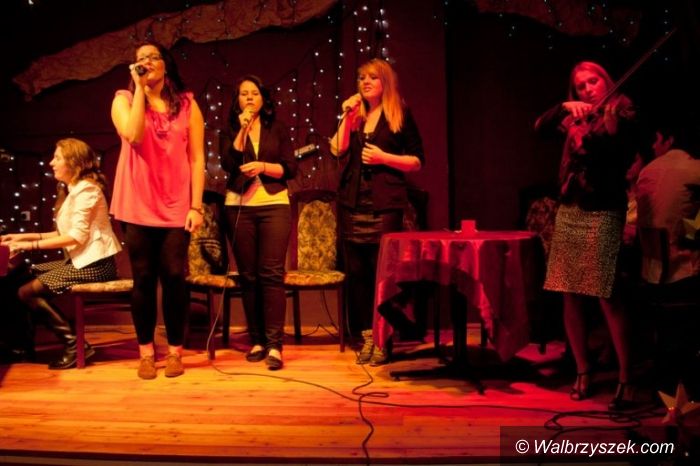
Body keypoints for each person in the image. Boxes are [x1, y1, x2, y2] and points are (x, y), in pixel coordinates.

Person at [534, 61, 640, 409]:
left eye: (593, 81)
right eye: (580, 86)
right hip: (571, 206)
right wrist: (564, 107)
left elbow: (617, 156)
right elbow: (539, 127)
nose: (588, 89)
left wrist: (610, 127)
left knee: (606, 293)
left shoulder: (622, 110)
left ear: (606, 80)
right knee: (569, 291)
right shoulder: (575, 114)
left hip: (604, 207)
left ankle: (626, 377)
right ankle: (582, 369)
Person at [111, 41, 205, 379]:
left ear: (166, 64)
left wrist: (196, 206)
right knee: (143, 278)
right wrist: (139, 89)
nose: (147, 62)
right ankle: (147, 353)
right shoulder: (123, 100)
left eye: (153, 57)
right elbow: (134, 135)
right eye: (140, 58)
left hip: (176, 204)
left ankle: (176, 350)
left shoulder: (188, 104)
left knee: (175, 276)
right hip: (136, 202)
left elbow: (197, 158)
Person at [330, 58, 424, 366]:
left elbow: (417, 161)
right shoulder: (356, 115)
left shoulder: (399, 113)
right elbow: (337, 148)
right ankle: (367, 337)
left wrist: (385, 158)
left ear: (386, 82)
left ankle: (385, 338)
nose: (366, 82)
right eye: (361, 78)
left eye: (373, 77)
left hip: (384, 205)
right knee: (357, 275)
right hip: (353, 204)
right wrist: (346, 116)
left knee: (382, 275)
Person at [0, 138, 121, 369]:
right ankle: (22, 346)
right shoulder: (73, 190)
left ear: (74, 162)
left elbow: (75, 237)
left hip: (96, 265)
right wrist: (20, 238)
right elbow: (61, 233)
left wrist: (28, 246)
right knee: (22, 277)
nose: (51, 163)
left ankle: (75, 345)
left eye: (57, 158)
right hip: (80, 262)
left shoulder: (87, 191)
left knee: (27, 292)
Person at [220, 75, 297, 371]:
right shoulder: (229, 129)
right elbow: (228, 163)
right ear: (237, 100)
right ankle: (257, 340)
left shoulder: (277, 128)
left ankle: (275, 345)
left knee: (271, 274)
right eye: (244, 94)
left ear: (263, 99)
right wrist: (242, 129)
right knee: (249, 276)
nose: (250, 97)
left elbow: (290, 168)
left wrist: (263, 167)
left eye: (254, 93)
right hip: (238, 206)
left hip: (274, 204)